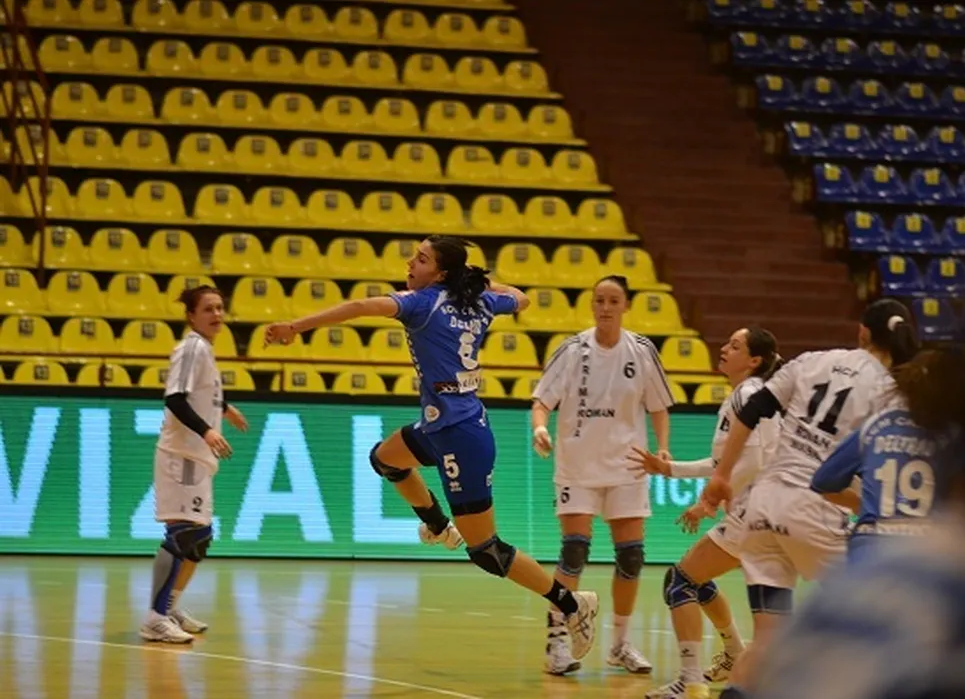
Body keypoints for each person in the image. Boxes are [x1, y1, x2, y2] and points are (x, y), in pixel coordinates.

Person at [264, 235, 600, 662]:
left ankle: (572, 604)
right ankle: (439, 526)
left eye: (421, 259)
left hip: (462, 437)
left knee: (487, 551)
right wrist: (479, 284)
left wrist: (295, 327)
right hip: (441, 425)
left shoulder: (422, 304)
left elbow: (360, 306)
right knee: (385, 459)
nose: (411, 262)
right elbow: (522, 298)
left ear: (440, 273)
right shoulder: (480, 302)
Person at [747, 275, 965, 699]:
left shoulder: (876, 423)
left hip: (869, 545)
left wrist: (867, 503)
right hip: (923, 546)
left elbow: (823, 479)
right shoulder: (950, 439)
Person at [697, 299, 920, 697]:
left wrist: (721, 475)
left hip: (763, 508)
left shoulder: (812, 360)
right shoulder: (889, 391)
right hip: (813, 510)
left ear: (862, 332)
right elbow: (866, 468)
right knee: (870, 622)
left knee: (766, 642)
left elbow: (754, 408)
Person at [530, 275, 676, 676]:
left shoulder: (641, 350)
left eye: (613, 300)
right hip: (577, 467)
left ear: (626, 305)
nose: (605, 307)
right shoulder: (572, 350)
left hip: (628, 466)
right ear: (592, 305)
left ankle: (620, 644)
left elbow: (659, 405)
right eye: (599, 300)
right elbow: (542, 400)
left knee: (631, 557)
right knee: (574, 551)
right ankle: (557, 642)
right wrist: (540, 427)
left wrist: (662, 447)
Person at [630, 327, 784, 699]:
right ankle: (733, 653)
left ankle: (691, 681)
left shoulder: (748, 395)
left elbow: (754, 459)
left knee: (679, 582)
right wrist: (670, 469)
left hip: (755, 512)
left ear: (754, 360)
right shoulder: (745, 394)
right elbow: (721, 462)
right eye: (727, 342)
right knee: (695, 581)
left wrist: (710, 501)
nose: (724, 348)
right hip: (761, 510)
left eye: (735, 345)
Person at [140, 285, 248, 644]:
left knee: (199, 539)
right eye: (208, 309)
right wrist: (207, 431)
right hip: (182, 455)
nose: (217, 314)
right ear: (191, 315)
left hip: (197, 459)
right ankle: (155, 617)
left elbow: (200, 393)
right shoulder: (191, 347)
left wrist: (224, 408)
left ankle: (168, 607)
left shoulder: (204, 350)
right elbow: (175, 398)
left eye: (220, 308)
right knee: (185, 534)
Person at [810, 349, 962, 565]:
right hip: (928, 555)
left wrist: (865, 507)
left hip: (870, 551)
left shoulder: (875, 426)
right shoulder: (957, 438)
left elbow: (823, 482)